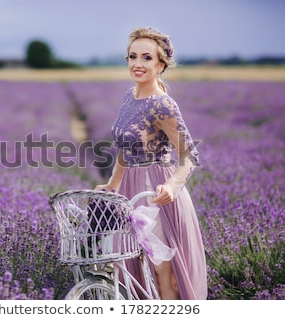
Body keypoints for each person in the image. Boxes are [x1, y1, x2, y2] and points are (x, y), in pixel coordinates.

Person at [95, 27, 207, 299]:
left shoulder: (162, 105)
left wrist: (172, 185)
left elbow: (189, 155)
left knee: (161, 268)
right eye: (132, 57)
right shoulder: (129, 96)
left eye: (146, 58)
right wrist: (113, 184)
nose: (137, 64)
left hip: (156, 189)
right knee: (133, 267)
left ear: (161, 64)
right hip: (129, 188)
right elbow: (125, 146)